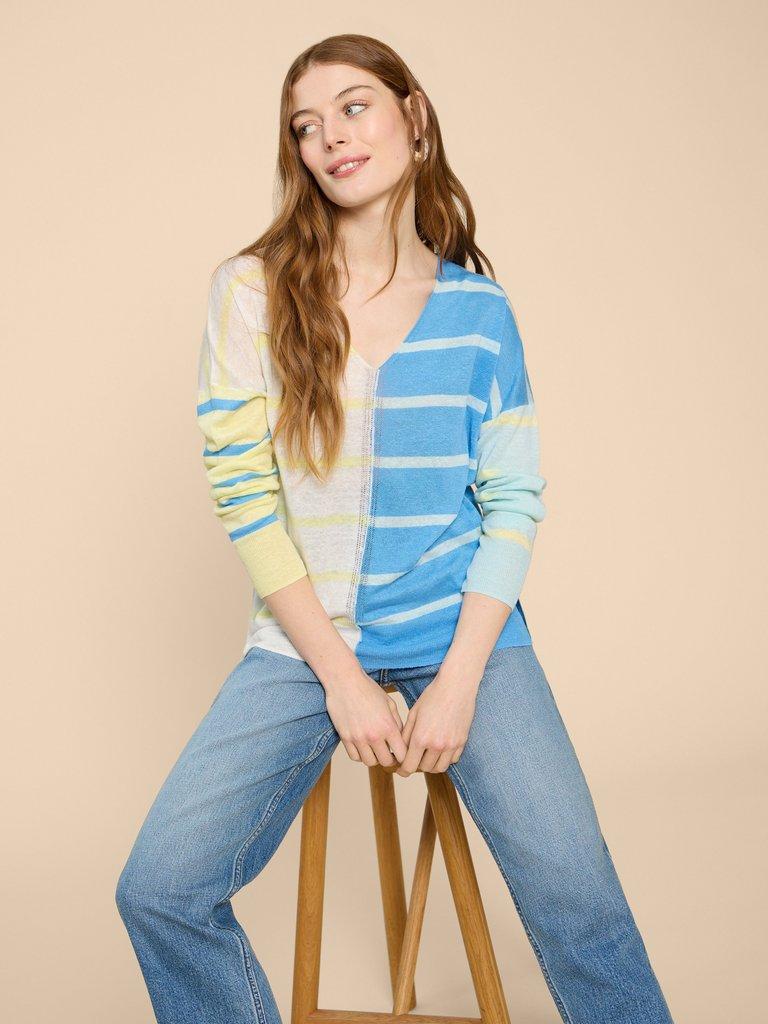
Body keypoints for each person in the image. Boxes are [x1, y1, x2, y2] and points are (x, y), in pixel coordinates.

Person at [115, 33, 676, 1024]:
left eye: (353, 106)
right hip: (307, 642)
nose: (330, 135)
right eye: (306, 125)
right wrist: (342, 678)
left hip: (465, 635)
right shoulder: (251, 291)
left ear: (413, 117)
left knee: (581, 905)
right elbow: (246, 497)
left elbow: (512, 501)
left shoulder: (480, 313)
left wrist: (458, 682)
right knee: (159, 886)